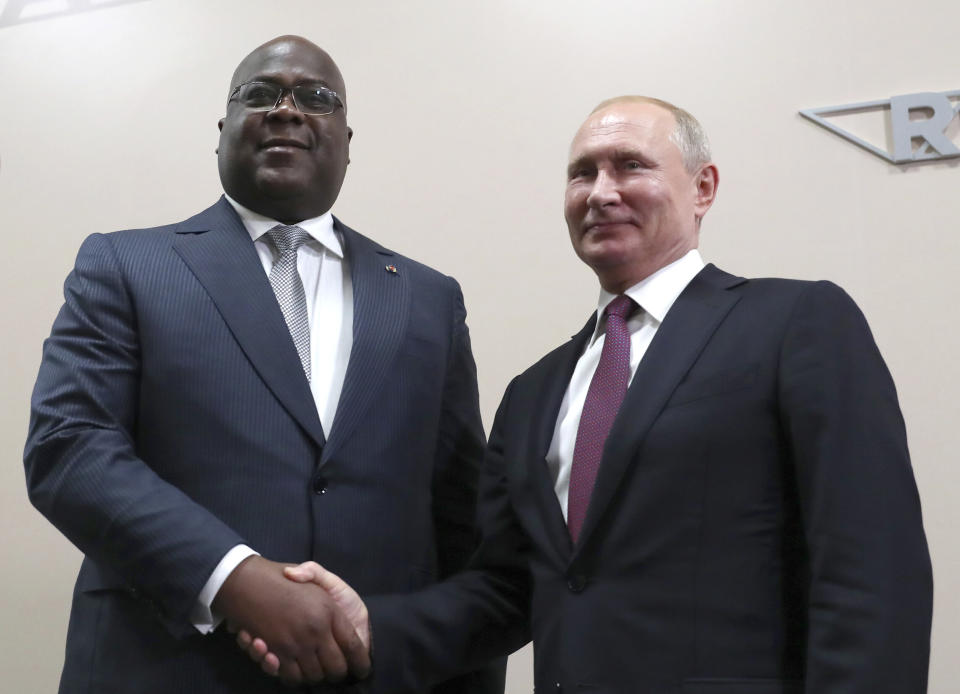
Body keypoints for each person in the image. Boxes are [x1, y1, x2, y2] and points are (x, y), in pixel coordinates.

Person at [246, 96, 934, 694]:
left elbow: (870, 573)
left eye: (630, 165)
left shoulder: (796, 324)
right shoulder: (535, 392)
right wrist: (369, 625)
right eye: (583, 173)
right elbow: (507, 590)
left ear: (703, 187)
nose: (601, 191)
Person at [24, 35, 504, 694]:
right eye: (259, 95)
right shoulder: (126, 267)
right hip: (164, 672)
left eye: (316, 98)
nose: (286, 109)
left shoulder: (428, 299)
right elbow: (69, 449)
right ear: (222, 131)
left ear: (346, 137)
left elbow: (461, 526)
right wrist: (233, 578)